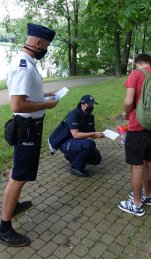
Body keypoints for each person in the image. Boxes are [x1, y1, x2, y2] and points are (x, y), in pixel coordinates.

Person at [0, 23, 58, 246]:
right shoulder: (24, 65)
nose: (46, 50)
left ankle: (13, 206)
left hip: (30, 128)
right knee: (19, 175)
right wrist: (47, 105)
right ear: (37, 43)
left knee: (20, 170)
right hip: (26, 128)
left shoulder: (27, 63)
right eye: (46, 46)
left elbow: (27, 93)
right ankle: (4, 227)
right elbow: (18, 104)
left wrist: (45, 95)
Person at [118, 53, 151, 216]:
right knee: (148, 161)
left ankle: (137, 205)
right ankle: (147, 195)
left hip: (137, 127)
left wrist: (126, 114)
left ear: (138, 64)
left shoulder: (136, 74)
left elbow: (128, 102)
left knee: (136, 165)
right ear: (150, 64)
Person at [57, 95, 104, 177]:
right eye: (89, 105)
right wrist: (93, 134)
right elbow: (75, 135)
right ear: (83, 104)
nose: (92, 106)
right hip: (66, 142)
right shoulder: (74, 114)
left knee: (97, 159)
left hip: (77, 142)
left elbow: (92, 133)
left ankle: (73, 157)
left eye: (93, 104)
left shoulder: (90, 116)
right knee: (89, 144)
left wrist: (99, 134)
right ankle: (75, 168)